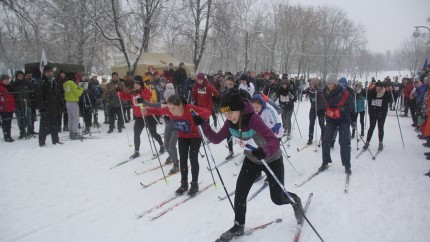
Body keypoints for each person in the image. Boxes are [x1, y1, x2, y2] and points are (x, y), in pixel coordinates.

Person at [196, 89, 303, 241]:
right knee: (240, 192)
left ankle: (295, 201)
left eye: (230, 112)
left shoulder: (254, 120)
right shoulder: (230, 123)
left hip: (271, 158)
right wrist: (203, 124)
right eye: (225, 114)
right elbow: (216, 138)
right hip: (252, 159)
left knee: (278, 198)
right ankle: (238, 225)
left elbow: (273, 140)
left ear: (239, 109)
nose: (228, 117)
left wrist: (264, 151)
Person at [143, 95, 211, 196]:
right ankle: (184, 184)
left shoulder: (189, 108)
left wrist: (198, 116)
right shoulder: (169, 110)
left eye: (173, 108)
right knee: (183, 160)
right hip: (182, 136)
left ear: (180, 105)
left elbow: (208, 112)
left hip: (195, 136)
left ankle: (194, 184)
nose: (171, 111)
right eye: (170, 108)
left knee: (193, 159)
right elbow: (158, 111)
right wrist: (147, 111)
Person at [319, 73, 354, 175]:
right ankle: (325, 162)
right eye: (328, 83)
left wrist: (352, 118)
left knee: (344, 142)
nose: (330, 85)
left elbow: (352, 106)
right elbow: (325, 105)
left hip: (343, 120)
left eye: (332, 84)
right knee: (325, 140)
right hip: (331, 119)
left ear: (336, 84)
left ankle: (347, 165)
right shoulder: (324, 92)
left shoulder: (344, 93)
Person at [143, 83, 180, 173]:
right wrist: (142, 101)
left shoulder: (177, 105)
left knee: (172, 145)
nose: (165, 99)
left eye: (167, 98)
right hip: (168, 127)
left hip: (177, 127)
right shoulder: (163, 104)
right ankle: (172, 156)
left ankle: (176, 164)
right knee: (166, 146)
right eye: (165, 98)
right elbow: (152, 106)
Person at [126, 75, 152, 160]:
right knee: (136, 133)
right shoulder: (134, 92)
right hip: (139, 117)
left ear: (141, 84)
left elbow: (149, 96)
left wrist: (141, 93)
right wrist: (119, 92)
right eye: (134, 84)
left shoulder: (145, 91)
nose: (135, 86)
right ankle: (136, 151)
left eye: (137, 84)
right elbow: (126, 97)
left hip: (147, 115)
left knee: (153, 133)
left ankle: (162, 145)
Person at [38, 66, 64, 146]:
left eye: (51, 72)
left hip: (55, 107)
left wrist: (61, 104)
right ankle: (42, 142)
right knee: (44, 126)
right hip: (46, 107)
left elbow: (58, 94)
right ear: (44, 73)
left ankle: (55, 140)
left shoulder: (54, 82)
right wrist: (42, 108)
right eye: (47, 72)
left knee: (55, 125)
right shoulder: (42, 82)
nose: (49, 73)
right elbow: (39, 96)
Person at [362, 81, 392, 151]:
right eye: (377, 89)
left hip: (382, 113)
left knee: (380, 127)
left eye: (379, 89)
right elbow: (367, 98)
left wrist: (390, 93)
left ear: (382, 88)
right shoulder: (372, 92)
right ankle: (367, 142)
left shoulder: (386, 93)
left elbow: (389, 101)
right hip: (373, 112)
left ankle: (380, 142)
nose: (378, 90)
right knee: (371, 127)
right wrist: (365, 90)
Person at [143, 72, 165, 154]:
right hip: (145, 112)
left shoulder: (152, 86)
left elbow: (155, 99)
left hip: (152, 110)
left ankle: (162, 145)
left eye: (150, 77)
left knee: (153, 132)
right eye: (148, 76)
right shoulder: (144, 86)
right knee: (151, 132)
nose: (150, 78)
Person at [11, 70, 33, 139]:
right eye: (19, 75)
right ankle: (22, 131)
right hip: (18, 104)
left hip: (27, 103)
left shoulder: (27, 83)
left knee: (29, 118)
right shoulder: (14, 84)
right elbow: (12, 94)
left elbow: (31, 92)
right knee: (20, 119)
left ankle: (30, 131)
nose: (20, 76)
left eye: (22, 75)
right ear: (17, 76)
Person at [63, 75, 84, 139]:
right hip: (73, 101)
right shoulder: (72, 84)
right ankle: (74, 132)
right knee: (75, 118)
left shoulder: (66, 84)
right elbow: (78, 93)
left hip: (68, 101)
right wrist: (81, 88)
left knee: (70, 118)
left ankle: (71, 131)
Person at [305, 78, 325, 145]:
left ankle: (323, 136)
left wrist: (317, 92)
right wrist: (301, 91)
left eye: (313, 84)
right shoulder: (309, 89)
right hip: (313, 109)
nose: (311, 85)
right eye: (311, 84)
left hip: (321, 110)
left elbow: (323, 99)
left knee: (321, 123)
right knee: (311, 123)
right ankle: (310, 138)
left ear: (316, 84)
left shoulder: (320, 90)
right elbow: (305, 91)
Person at [0, 74, 16, 142]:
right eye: (5, 80)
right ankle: (6, 136)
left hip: (10, 107)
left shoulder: (9, 87)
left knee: (9, 122)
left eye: (7, 79)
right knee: (5, 122)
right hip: (4, 108)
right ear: (2, 80)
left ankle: (8, 135)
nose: (7, 81)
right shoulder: (1, 87)